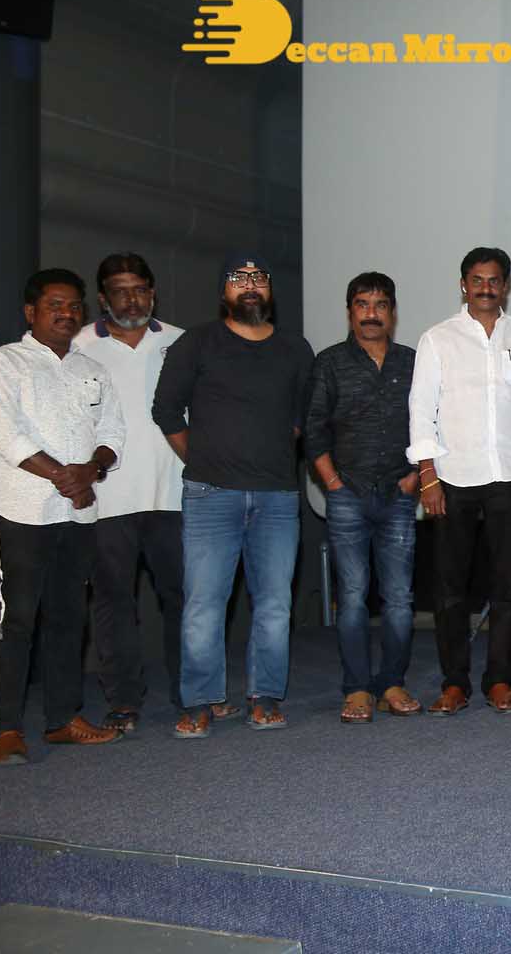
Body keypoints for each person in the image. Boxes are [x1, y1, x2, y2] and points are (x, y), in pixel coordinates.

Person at [152, 253, 314, 739]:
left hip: (277, 498)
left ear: (270, 290)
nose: (249, 285)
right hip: (210, 495)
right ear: (223, 291)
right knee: (204, 604)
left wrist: (268, 452)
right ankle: (200, 700)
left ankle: (265, 697)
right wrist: (204, 458)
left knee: (275, 605)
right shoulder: (196, 342)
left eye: (258, 278)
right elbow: (166, 410)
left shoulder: (295, 348)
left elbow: (302, 417)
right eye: (238, 278)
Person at [0, 269, 126, 764]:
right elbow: (6, 434)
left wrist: (92, 469)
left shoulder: (92, 369)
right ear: (31, 312)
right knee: (18, 621)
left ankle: (63, 720)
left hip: (79, 516)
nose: (66, 313)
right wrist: (67, 477)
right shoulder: (2, 364)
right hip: (23, 512)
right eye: (54, 305)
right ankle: (8, 729)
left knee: (68, 618)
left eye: (74, 306)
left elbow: (113, 432)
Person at [407, 248, 511, 715]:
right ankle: (454, 683)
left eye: (494, 280)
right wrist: (427, 476)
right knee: (450, 588)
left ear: (506, 285)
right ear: (463, 285)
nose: (485, 288)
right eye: (477, 280)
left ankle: (499, 680)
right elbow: (421, 410)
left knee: (508, 587)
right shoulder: (437, 338)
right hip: (453, 477)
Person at [71, 253, 184, 733]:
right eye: (120, 291)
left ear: (152, 293)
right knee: (113, 602)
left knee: (185, 598)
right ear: (103, 298)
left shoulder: (180, 341)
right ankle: (123, 700)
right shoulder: (77, 346)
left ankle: (193, 693)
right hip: (107, 499)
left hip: (175, 494)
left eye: (139, 290)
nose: (131, 300)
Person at [305, 272, 421, 725]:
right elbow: (313, 429)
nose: (372, 314)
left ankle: (391, 683)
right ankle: (356, 688)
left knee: (399, 598)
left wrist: (415, 477)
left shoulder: (412, 362)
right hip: (347, 495)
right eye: (362, 304)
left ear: (392, 312)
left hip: (398, 495)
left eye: (380, 305)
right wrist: (332, 483)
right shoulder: (329, 363)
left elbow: (431, 423)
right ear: (350, 311)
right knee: (352, 596)